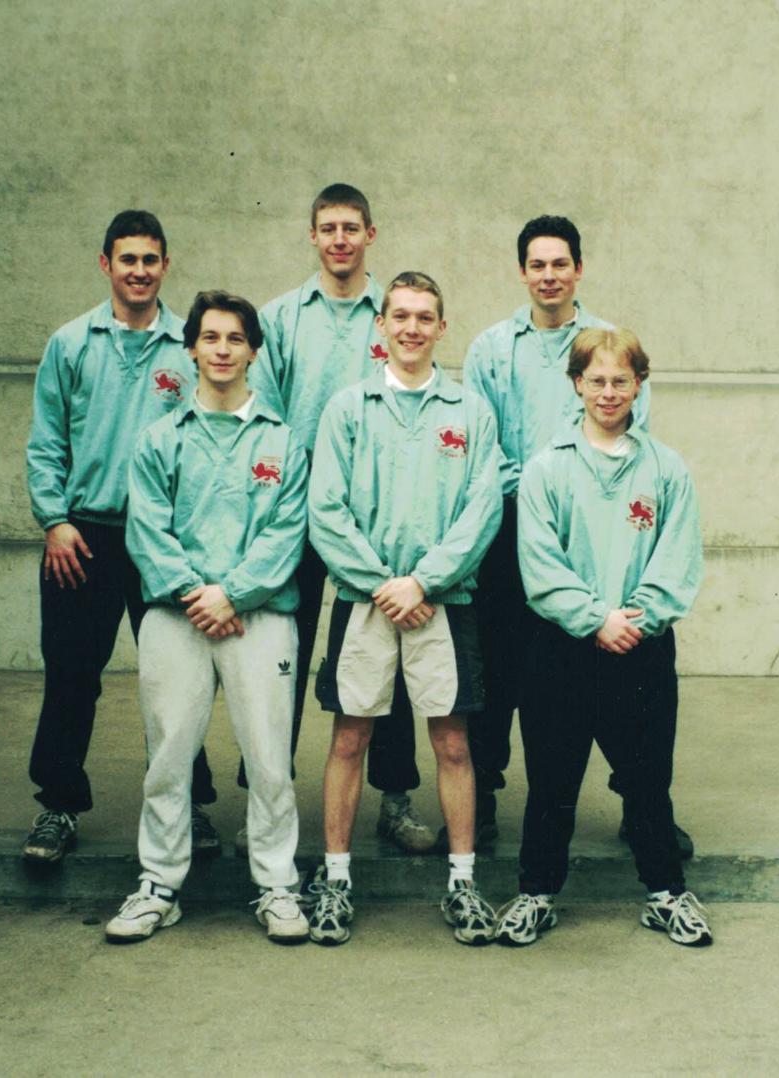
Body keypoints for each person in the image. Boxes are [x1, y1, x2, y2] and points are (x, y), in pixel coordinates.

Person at [463, 215, 693, 858]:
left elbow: (631, 435)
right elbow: (480, 445)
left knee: (619, 666)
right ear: (522, 272)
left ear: (578, 269)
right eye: (537, 264)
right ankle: (481, 799)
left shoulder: (606, 347)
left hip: (598, 522)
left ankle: (641, 805)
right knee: (505, 672)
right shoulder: (489, 349)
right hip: (512, 524)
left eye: (559, 263)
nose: (548, 275)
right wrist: (536, 488)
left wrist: (573, 489)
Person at [229, 183, 433, 858]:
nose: (340, 238)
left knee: (392, 655)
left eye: (351, 227)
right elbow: (270, 421)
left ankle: (395, 798)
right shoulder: (282, 319)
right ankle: (268, 794)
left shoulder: (393, 313)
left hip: (376, 518)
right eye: (328, 227)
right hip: (300, 510)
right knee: (282, 648)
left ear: (371, 234)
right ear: (311, 236)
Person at [494, 327, 712, 948]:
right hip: (561, 650)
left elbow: (677, 559)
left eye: (621, 380)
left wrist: (635, 617)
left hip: (640, 646)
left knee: (647, 780)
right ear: (576, 384)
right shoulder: (547, 468)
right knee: (552, 782)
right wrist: (594, 618)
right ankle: (537, 893)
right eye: (597, 380)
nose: (609, 392)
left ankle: (665, 893)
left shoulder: (666, 469)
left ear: (640, 384)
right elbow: (539, 565)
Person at [306, 272, 503, 945]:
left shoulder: (470, 412)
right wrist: (383, 582)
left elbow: (483, 510)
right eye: (401, 316)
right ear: (381, 326)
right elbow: (325, 510)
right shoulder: (347, 408)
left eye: (426, 317)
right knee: (350, 737)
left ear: (442, 329)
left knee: (451, 741)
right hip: (365, 602)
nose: (412, 328)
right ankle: (334, 880)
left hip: (442, 604)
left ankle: (462, 883)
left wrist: (423, 582)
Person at [104, 291, 308, 944]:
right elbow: (147, 530)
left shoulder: (283, 442)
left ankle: (277, 886)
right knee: (169, 757)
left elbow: (286, 534)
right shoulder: (160, 440)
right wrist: (197, 592)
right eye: (210, 337)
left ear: (254, 350)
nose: (222, 349)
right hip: (175, 616)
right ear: (190, 347)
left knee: (270, 759)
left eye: (235, 338)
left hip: (259, 618)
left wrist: (234, 594)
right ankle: (159, 886)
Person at [20, 210, 211, 864]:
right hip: (84, 538)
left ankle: (188, 801)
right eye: (127, 259)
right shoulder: (70, 345)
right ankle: (58, 805)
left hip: (162, 540)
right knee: (72, 673)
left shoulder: (189, 347)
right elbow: (46, 445)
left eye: (150, 260)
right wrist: (56, 520)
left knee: (177, 678)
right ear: (106, 264)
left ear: (165, 265)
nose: (139, 271)